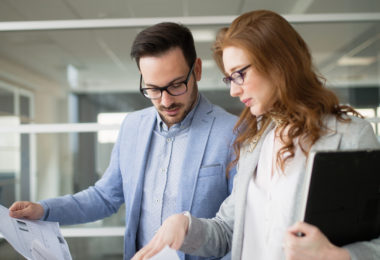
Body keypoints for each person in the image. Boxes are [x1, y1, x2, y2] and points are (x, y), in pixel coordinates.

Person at [132, 10, 380, 260]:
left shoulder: (349, 137)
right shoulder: (254, 143)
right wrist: (185, 226)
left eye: (240, 74)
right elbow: (228, 230)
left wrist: (336, 256)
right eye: (229, 78)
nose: (233, 90)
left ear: (278, 64)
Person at [9, 22, 238, 260]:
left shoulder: (232, 132)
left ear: (197, 70)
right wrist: (44, 210)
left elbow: (235, 226)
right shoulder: (132, 126)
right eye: (152, 89)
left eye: (176, 85)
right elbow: (104, 197)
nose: (166, 100)